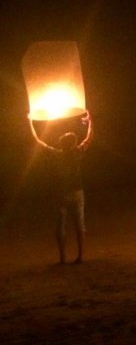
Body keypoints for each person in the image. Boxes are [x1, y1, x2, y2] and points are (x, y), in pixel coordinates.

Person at [29, 111, 94, 263]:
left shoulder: (56, 155)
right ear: (73, 143)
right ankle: (80, 256)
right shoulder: (77, 152)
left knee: (61, 225)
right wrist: (91, 121)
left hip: (61, 194)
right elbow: (89, 137)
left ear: (62, 143)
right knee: (79, 225)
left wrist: (30, 122)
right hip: (77, 193)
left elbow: (36, 141)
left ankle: (63, 257)